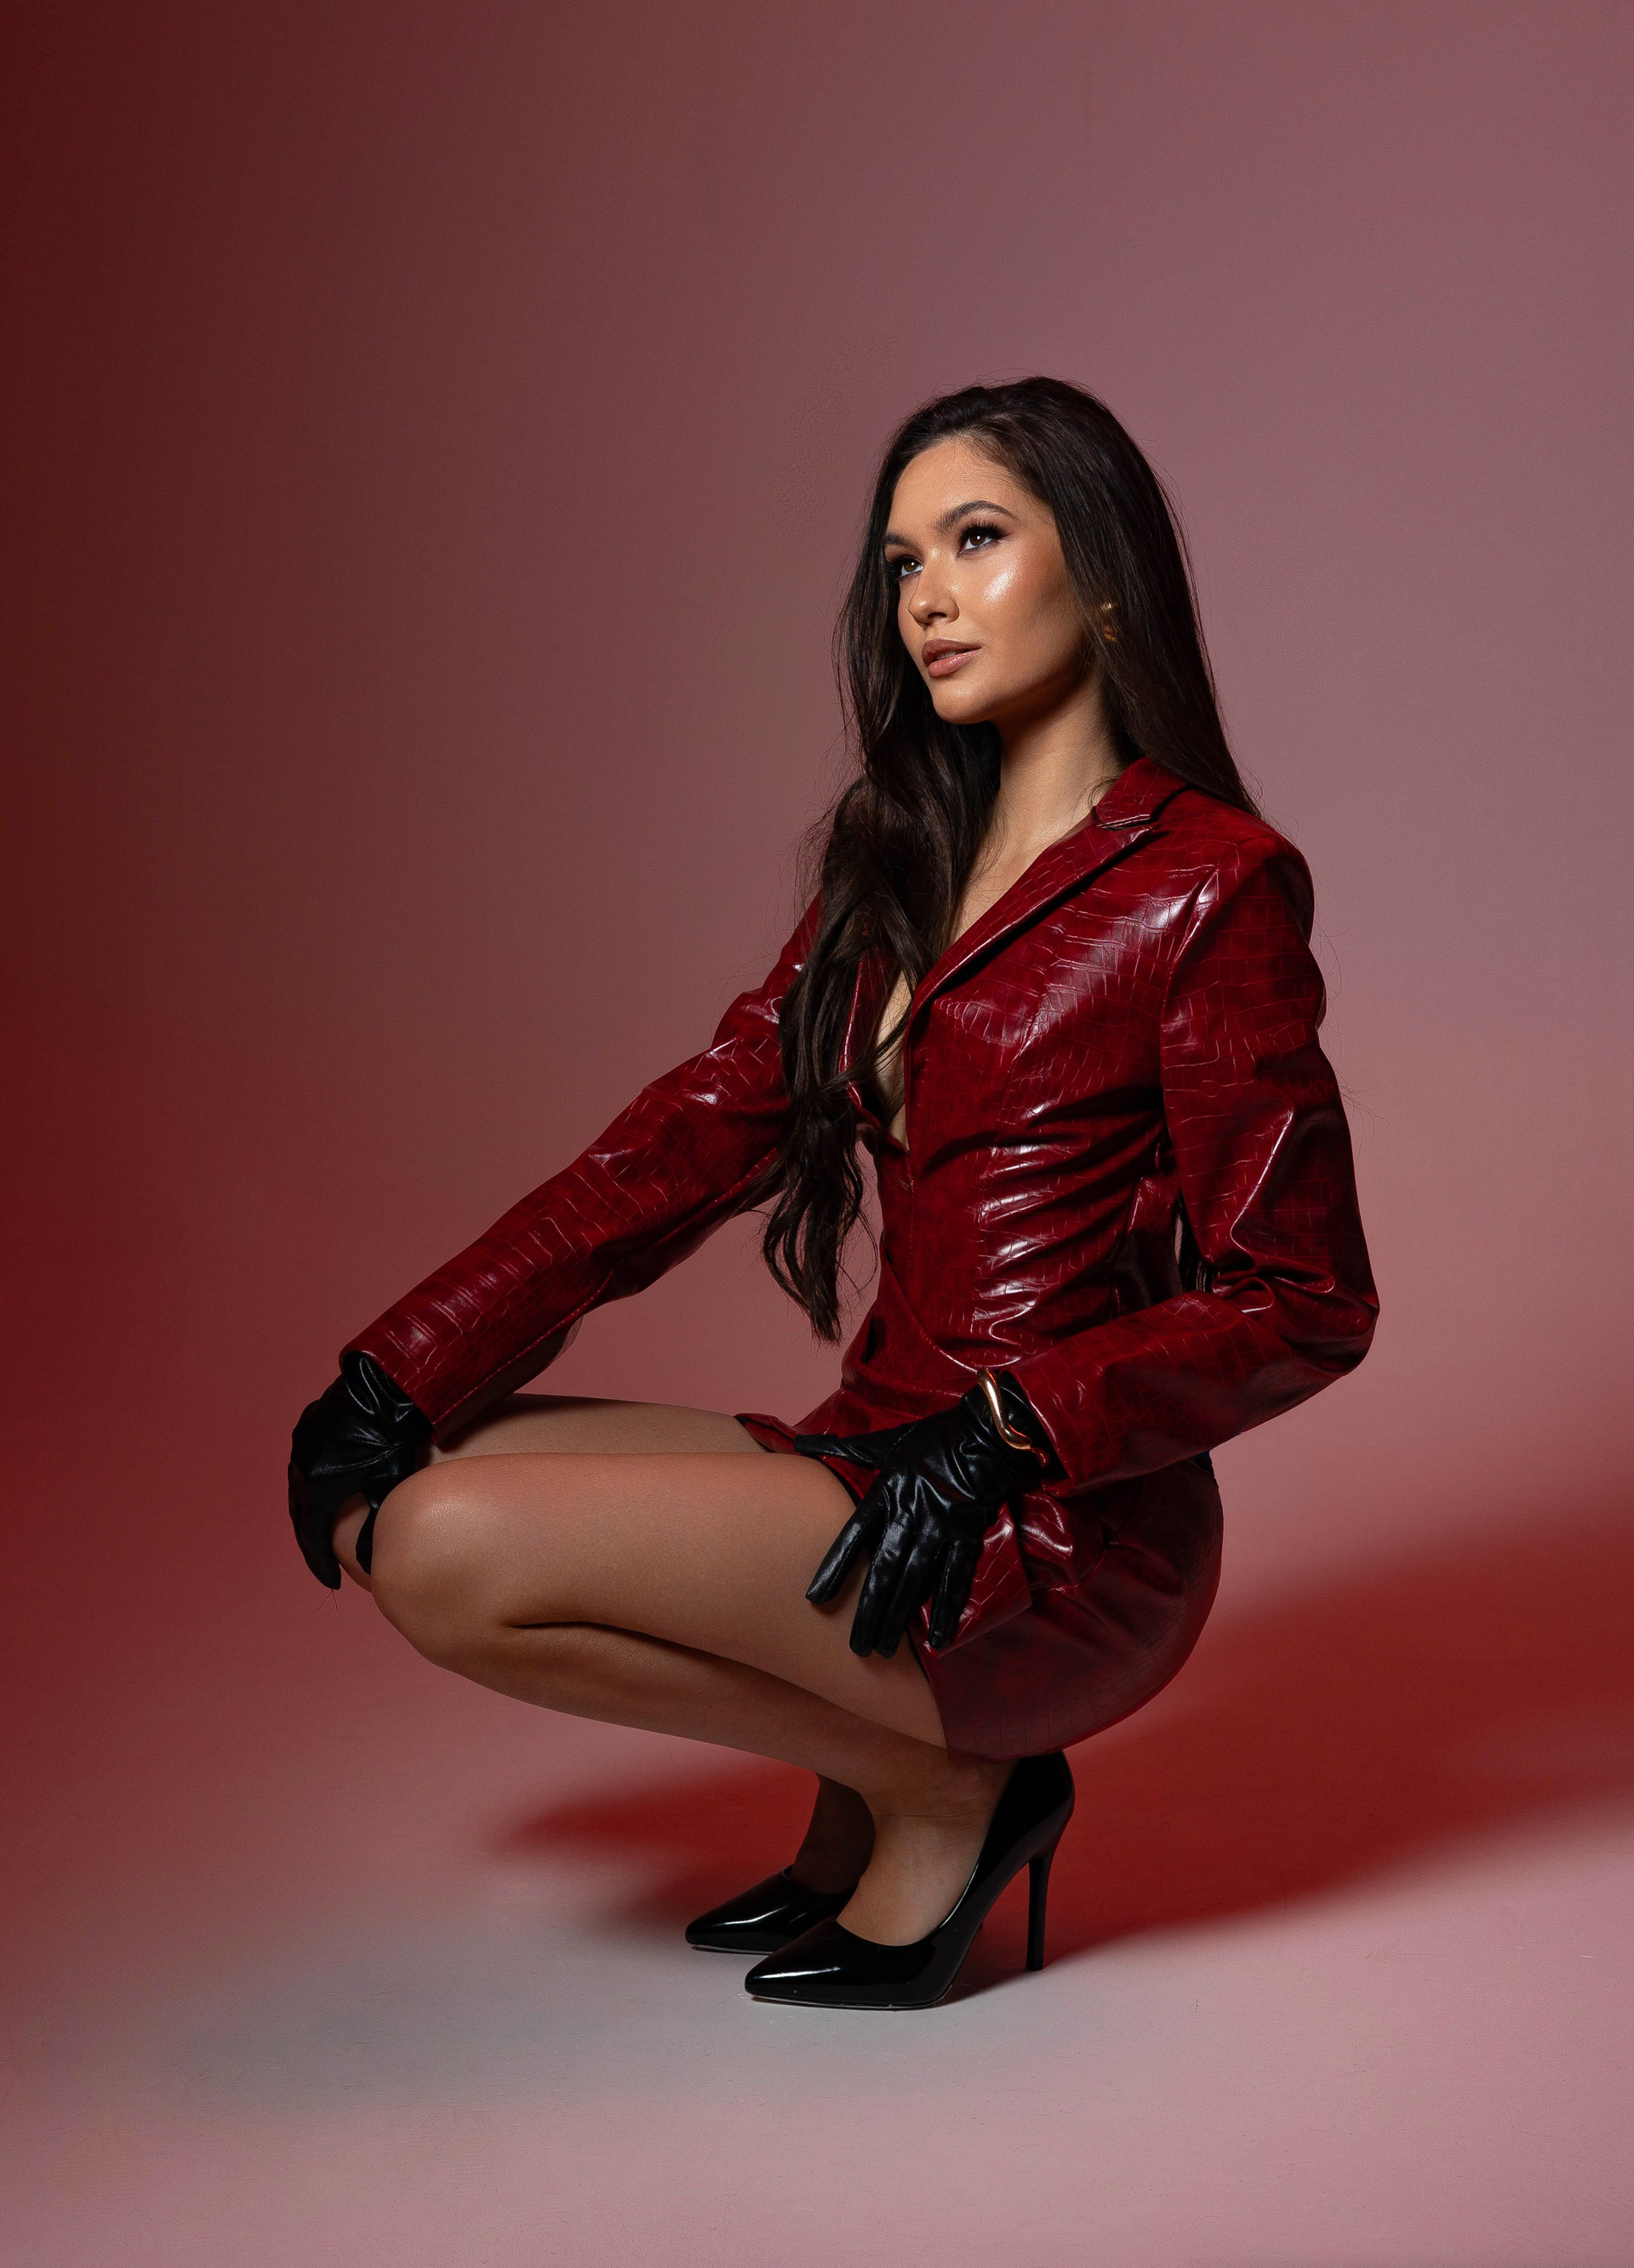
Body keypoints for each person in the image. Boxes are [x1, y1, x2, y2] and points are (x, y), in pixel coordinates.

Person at [289, 376, 1377, 2012]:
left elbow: (1304, 1300)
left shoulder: (1208, 884)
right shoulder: (903, 859)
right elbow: (687, 1140)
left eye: (977, 539)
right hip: (875, 1453)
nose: (927, 596)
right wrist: (399, 1363)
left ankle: (941, 1785)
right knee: (411, 1477)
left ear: (1102, 573)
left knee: (444, 1552)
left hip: (1049, 1528)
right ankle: (908, 1782)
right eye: (901, 563)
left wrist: (1010, 1429)